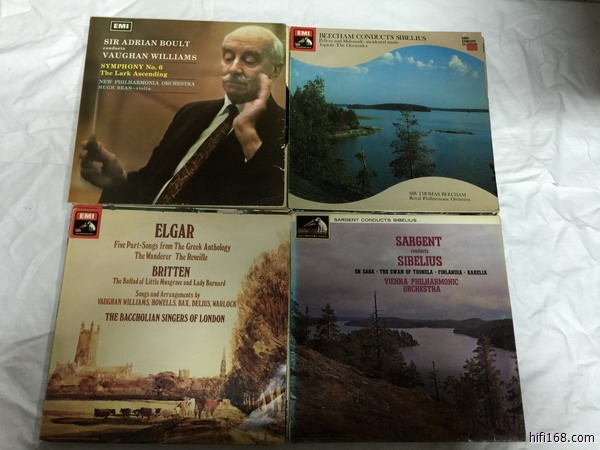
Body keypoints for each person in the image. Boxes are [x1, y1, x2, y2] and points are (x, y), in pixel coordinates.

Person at [80, 25, 286, 206]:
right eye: (228, 57)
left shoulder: (287, 127)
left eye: (250, 60)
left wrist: (247, 134)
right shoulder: (190, 113)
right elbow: (152, 185)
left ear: (275, 70)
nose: (233, 68)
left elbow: (273, 197)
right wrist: (119, 182)